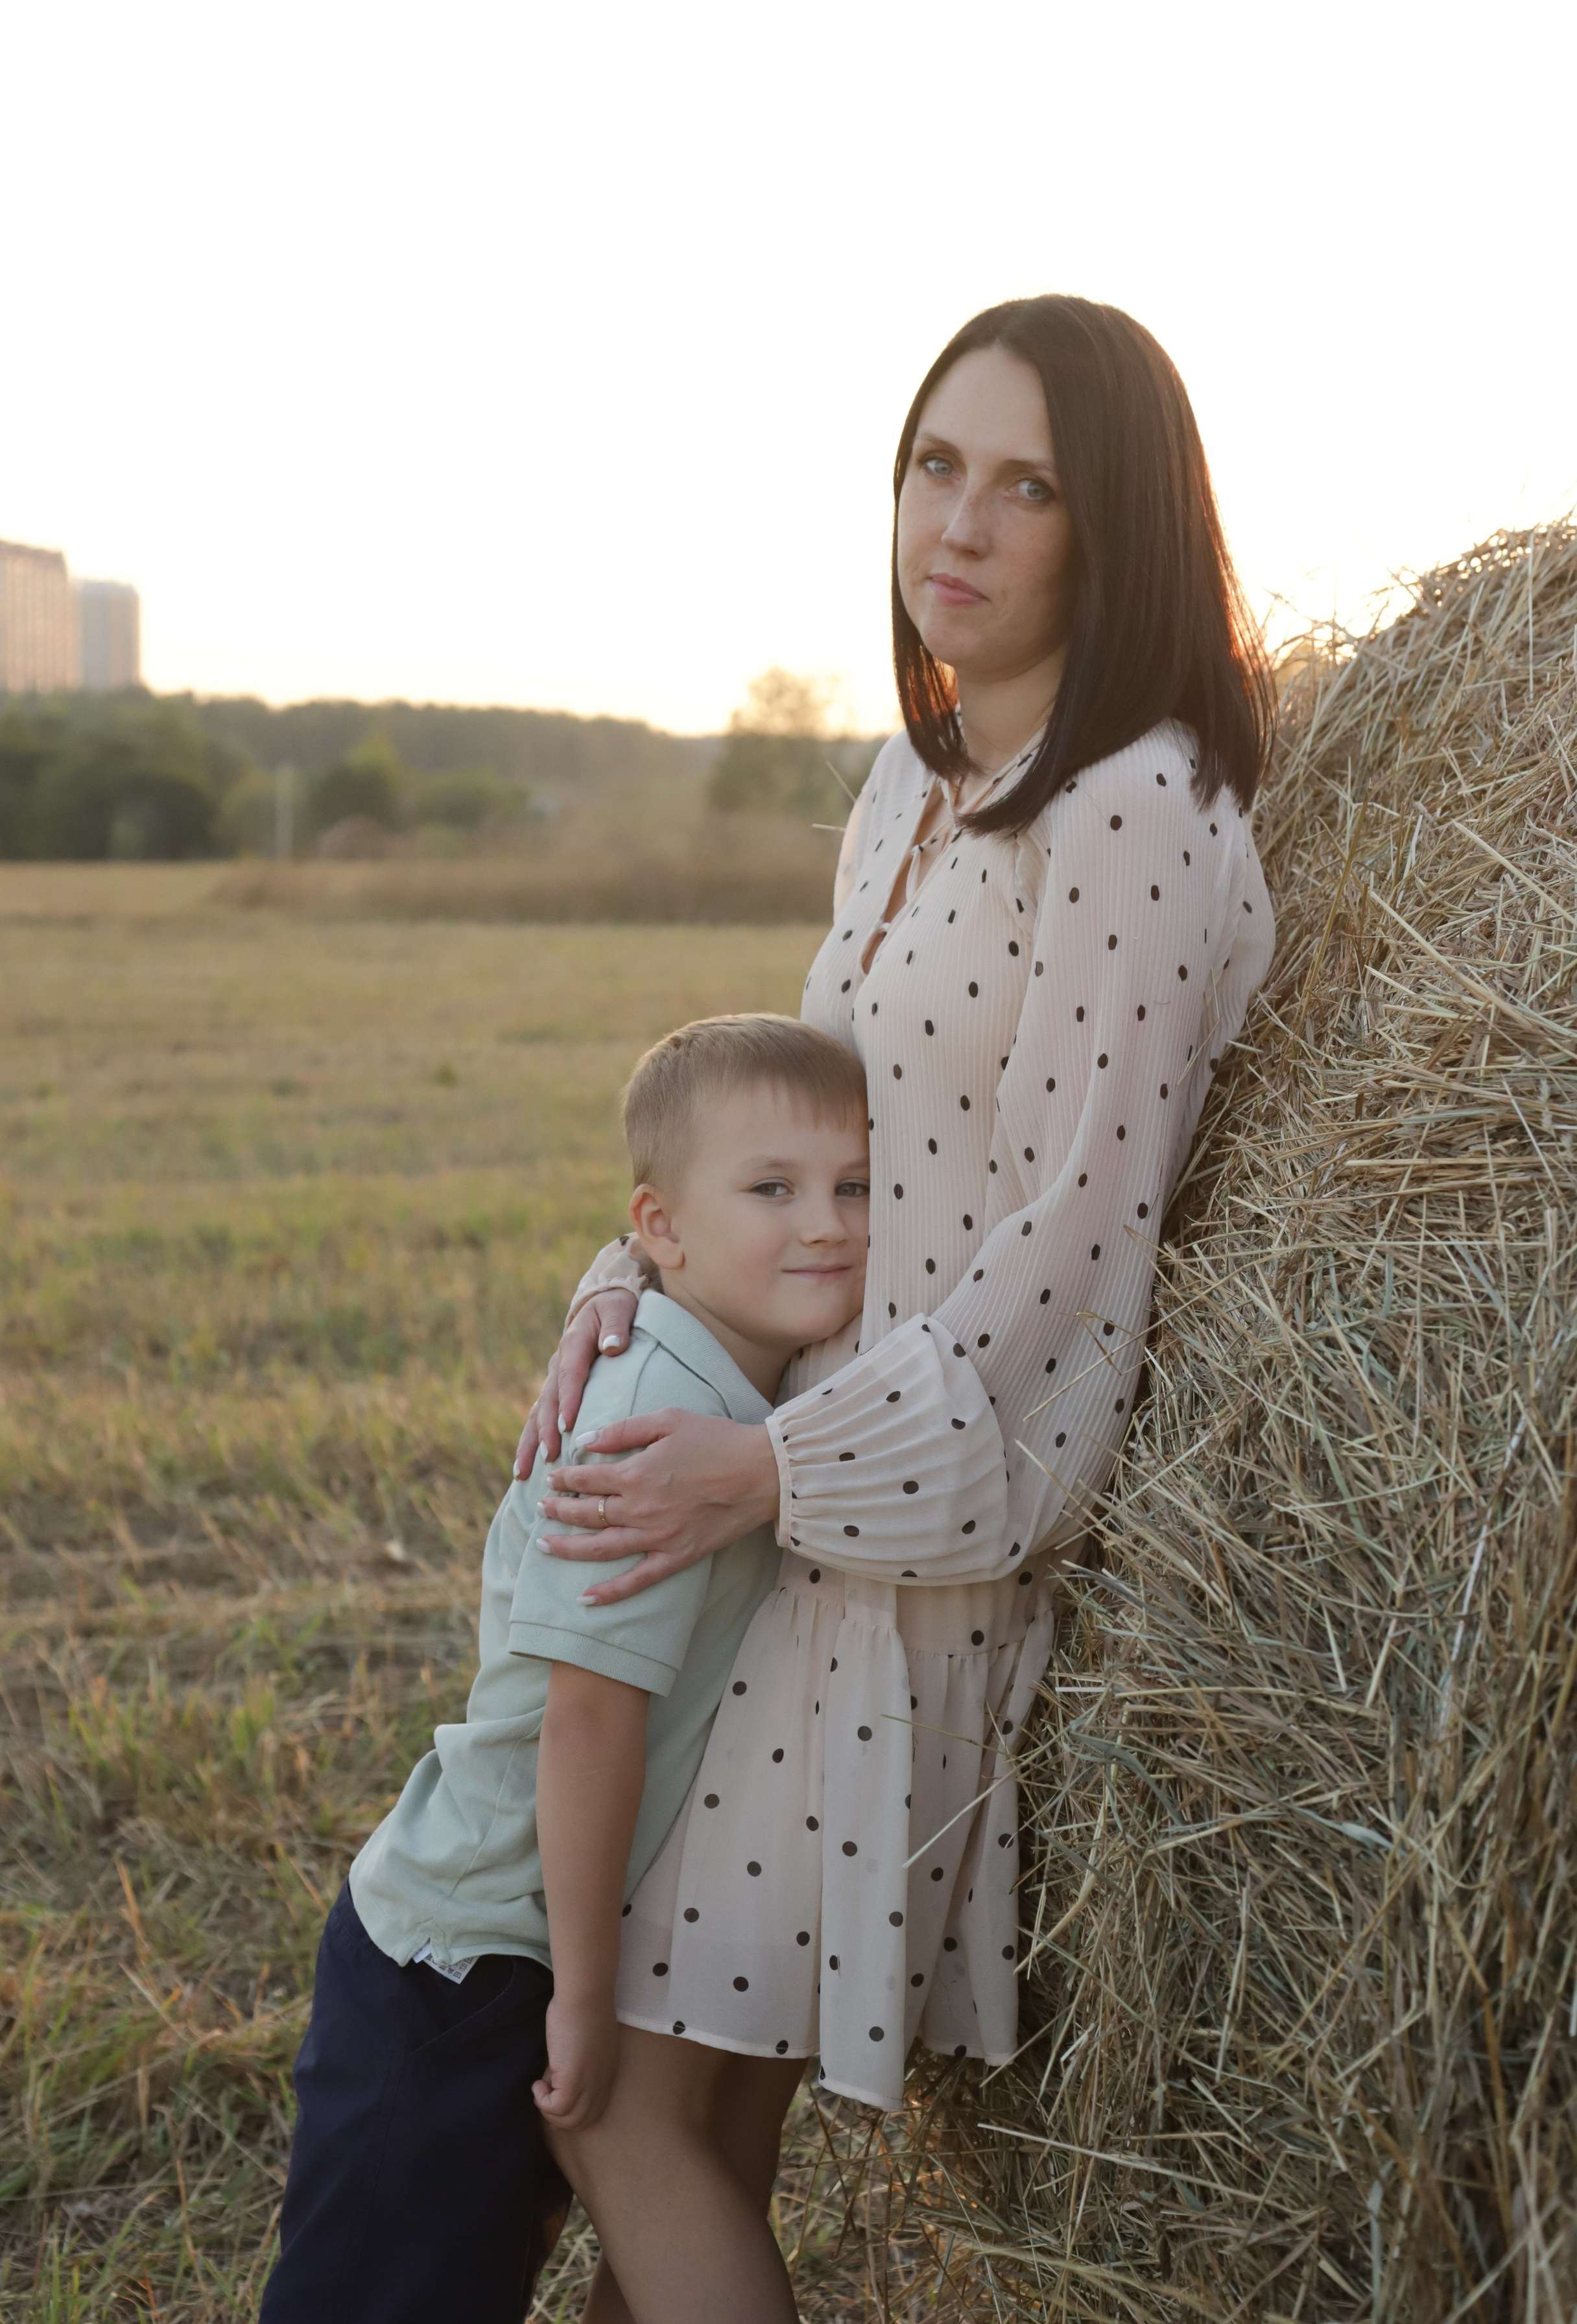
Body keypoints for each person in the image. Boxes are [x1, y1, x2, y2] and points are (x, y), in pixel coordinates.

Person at [516, 296, 1277, 2157]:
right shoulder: (914, 787)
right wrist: (633, 1279)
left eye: (1029, 487)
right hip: (787, 1520)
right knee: (687, 2142)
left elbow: (1075, 1251)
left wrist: (773, 1472)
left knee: (632, 2129)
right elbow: (806, 1118)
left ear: (1118, 528)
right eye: (937, 467)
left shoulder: (1135, 813)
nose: (961, 524)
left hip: (906, 1565)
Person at [259, 1014, 873, 2324]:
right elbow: (586, 1724)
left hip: (538, 1936)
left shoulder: (763, 1400)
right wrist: (584, 2000)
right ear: (659, 1226)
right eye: (771, 1190)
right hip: (461, 1960)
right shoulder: (652, 1426)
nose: (825, 1224)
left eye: (855, 1186)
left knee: (477, 2273)